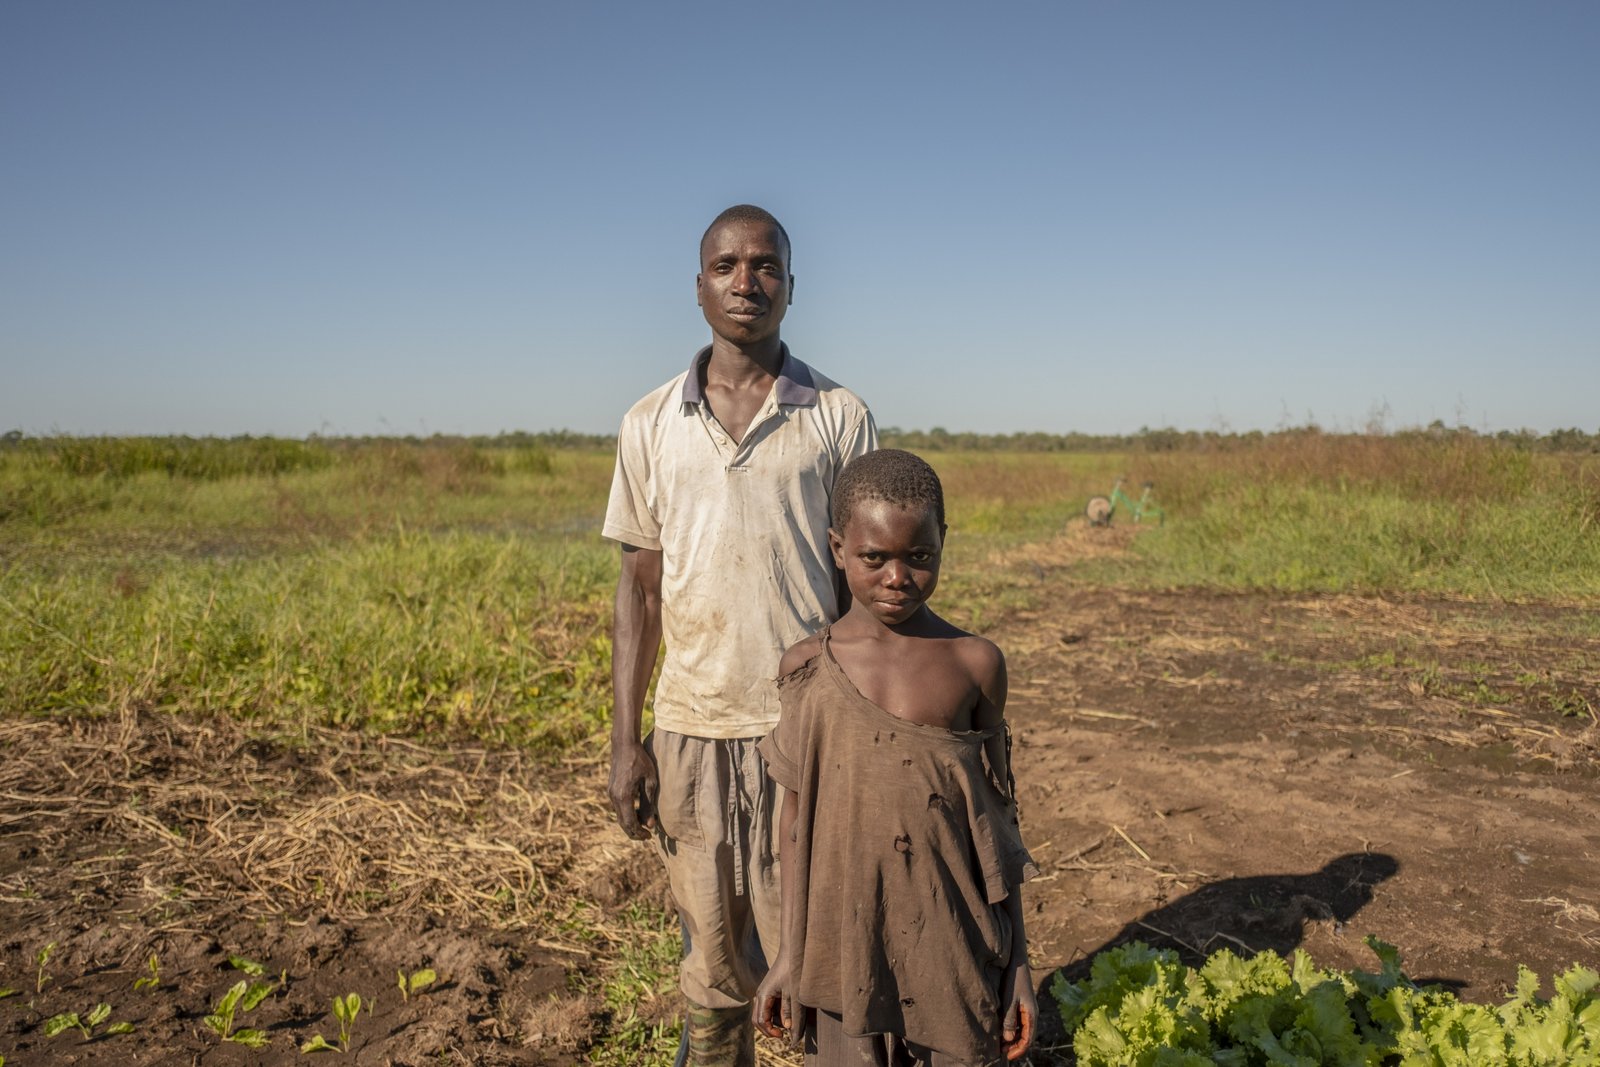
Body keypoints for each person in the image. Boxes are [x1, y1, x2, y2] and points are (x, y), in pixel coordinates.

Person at [603, 204, 877, 1066]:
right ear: (698, 287)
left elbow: (869, 591)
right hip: (691, 731)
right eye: (727, 265)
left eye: (766, 266)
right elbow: (639, 593)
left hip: (805, 735)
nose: (746, 282)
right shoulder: (650, 422)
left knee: (818, 952)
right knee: (713, 967)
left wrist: (862, 729)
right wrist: (624, 740)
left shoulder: (837, 416)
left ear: (792, 287)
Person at [753, 449, 1039, 1066]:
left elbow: (997, 826)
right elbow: (795, 826)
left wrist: (1018, 964)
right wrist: (788, 955)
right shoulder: (807, 668)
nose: (896, 577)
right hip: (844, 948)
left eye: (919, 557)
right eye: (873, 557)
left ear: (944, 544)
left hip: (954, 947)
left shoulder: (974, 664)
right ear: (837, 548)